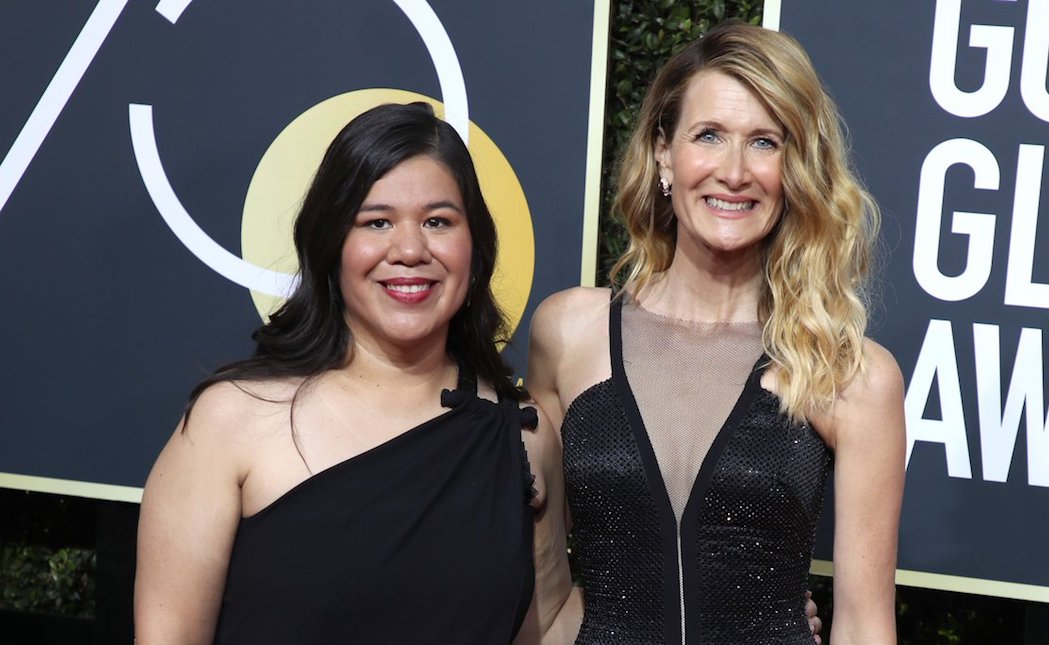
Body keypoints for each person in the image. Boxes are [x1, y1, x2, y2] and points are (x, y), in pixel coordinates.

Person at [526, 22, 905, 644]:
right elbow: (541, 579)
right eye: (709, 136)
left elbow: (865, 624)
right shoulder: (568, 333)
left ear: (797, 169)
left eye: (765, 142)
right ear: (662, 151)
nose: (735, 172)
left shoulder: (850, 374)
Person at [134, 102, 550, 644]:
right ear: (332, 245)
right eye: (377, 222)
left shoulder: (521, 437)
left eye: (437, 222)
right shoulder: (231, 421)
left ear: (475, 246)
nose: (409, 250)